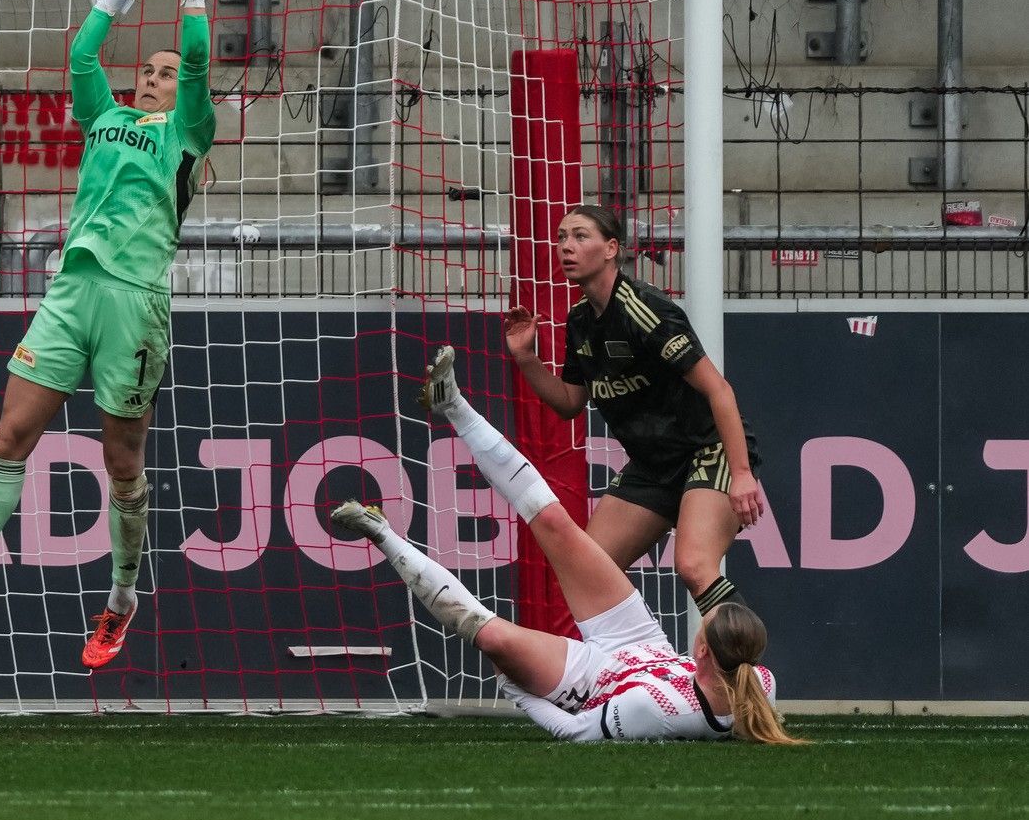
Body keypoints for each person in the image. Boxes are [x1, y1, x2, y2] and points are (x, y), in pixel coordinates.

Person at [0, 0, 216, 671]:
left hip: (135, 302)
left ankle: (121, 597)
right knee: (7, 435)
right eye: (147, 71)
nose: (155, 77)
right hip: (71, 289)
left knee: (121, 461)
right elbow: (82, 59)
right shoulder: (104, 117)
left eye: (163, 72)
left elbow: (195, 58)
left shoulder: (187, 131)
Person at [333, 347, 799, 743]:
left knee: (491, 636)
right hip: (639, 640)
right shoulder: (760, 681)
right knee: (557, 522)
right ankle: (451, 403)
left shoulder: (660, 709)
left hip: (592, 678)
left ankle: (381, 533)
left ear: (700, 650)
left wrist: (522, 695)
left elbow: (575, 731)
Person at [503, 204, 764, 617]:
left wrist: (743, 473)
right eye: (561, 237)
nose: (566, 246)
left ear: (611, 249)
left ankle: (746, 676)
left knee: (694, 566)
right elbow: (571, 403)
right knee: (590, 572)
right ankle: (638, 670)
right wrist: (527, 359)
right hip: (652, 464)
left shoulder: (646, 310)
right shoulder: (579, 323)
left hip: (707, 450)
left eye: (580, 236)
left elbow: (720, 391)